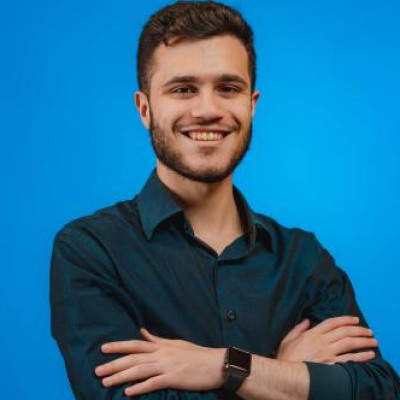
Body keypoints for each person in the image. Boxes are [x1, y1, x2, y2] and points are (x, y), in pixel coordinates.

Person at [50, 1, 400, 399]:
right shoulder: (91, 251)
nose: (208, 110)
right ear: (145, 109)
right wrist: (280, 373)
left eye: (228, 89)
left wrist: (221, 365)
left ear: (251, 105)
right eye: (183, 89)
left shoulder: (303, 259)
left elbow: (378, 390)